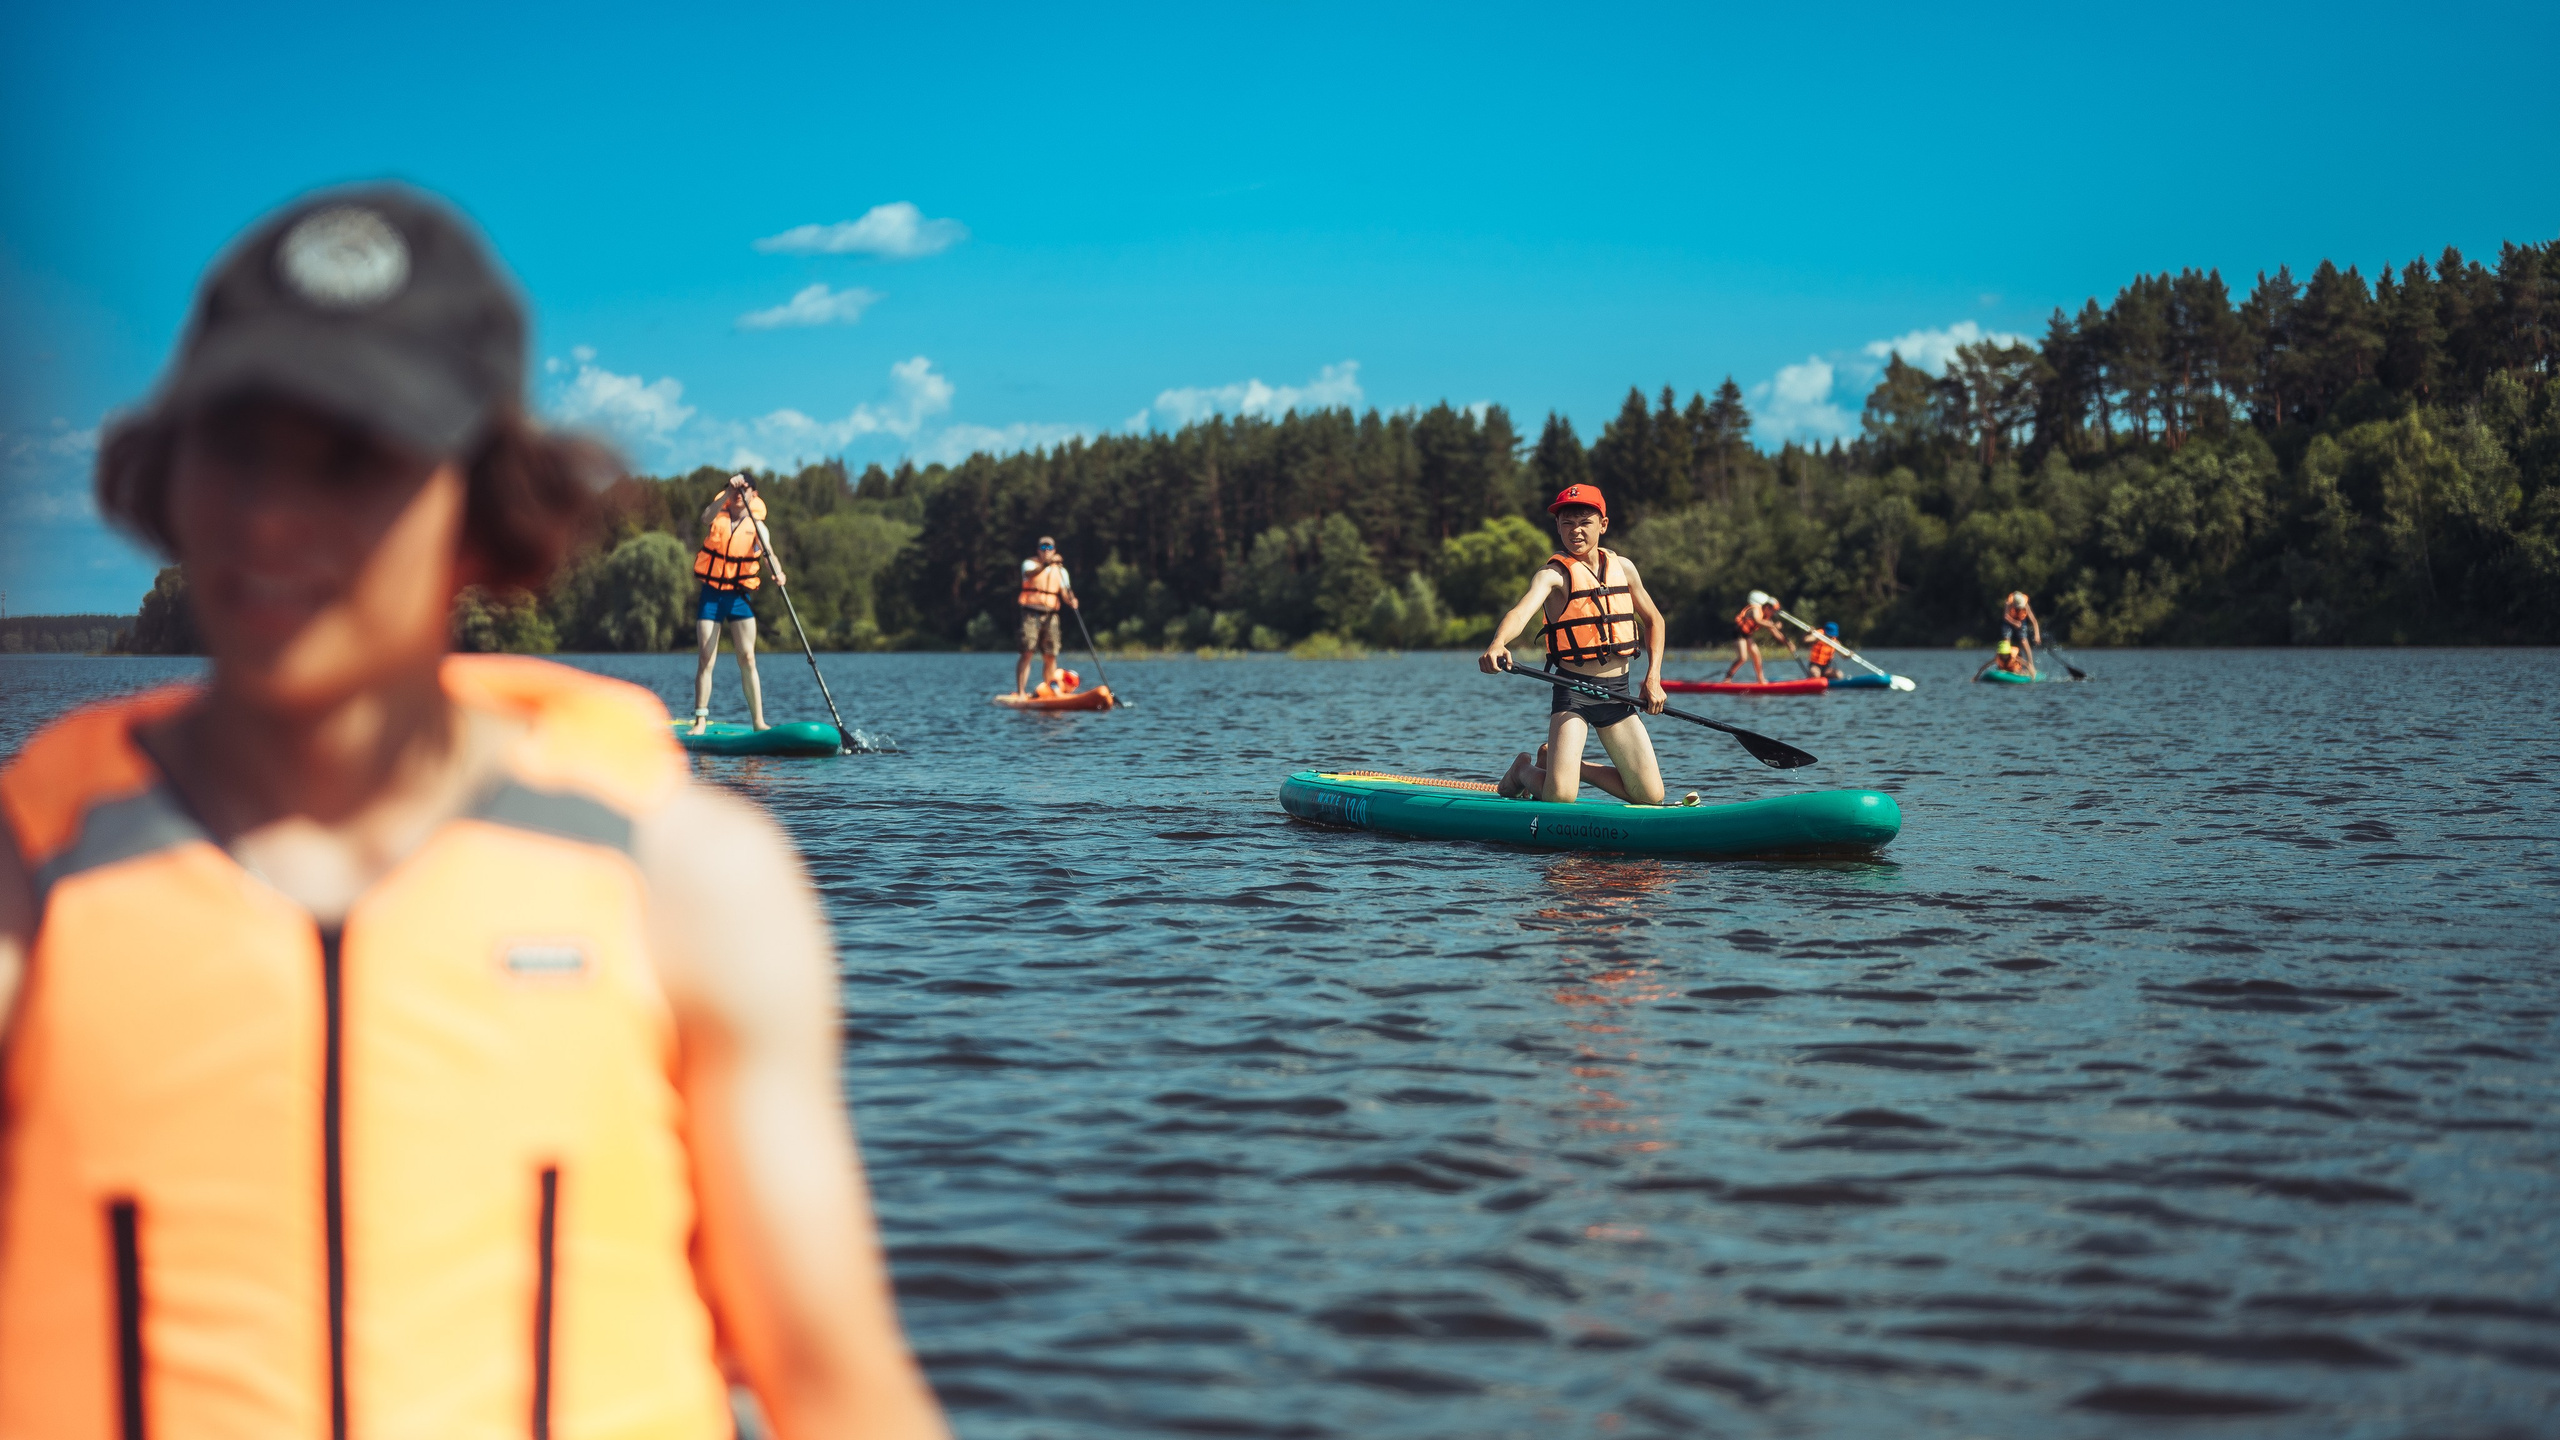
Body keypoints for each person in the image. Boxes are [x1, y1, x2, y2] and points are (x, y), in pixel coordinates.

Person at [0, 185, 946, 1439]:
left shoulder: (696, 889)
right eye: (239, 444)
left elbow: (837, 1394)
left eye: (359, 457)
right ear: (168, 476)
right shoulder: (29, 884)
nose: (278, 514)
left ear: (484, 509)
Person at [1478, 483, 1670, 805]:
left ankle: (1564, 764)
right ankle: (1523, 771)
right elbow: (1521, 611)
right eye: (1567, 523)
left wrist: (1653, 678)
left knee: (1650, 796)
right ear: (1557, 527)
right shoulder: (1552, 575)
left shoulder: (1624, 568)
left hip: (1617, 693)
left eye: (1584, 522)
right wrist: (1498, 643)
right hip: (1574, 694)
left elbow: (1655, 621)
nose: (1575, 531)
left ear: (1603, 525)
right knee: (1561, 797)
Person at [689, 473, 786, 733]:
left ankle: (758, 722)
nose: (739, 493)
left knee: (748, 658)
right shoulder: (718, 515)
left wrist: (777, 571)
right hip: (712, 594)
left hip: (739, 596)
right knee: (706, 658)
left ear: (754, 494)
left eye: (745, 489)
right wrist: (725, 492)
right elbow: (705, 517)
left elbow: (769, 554)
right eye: (734, 490)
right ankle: (700, 721)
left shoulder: (757, 525)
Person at [1014, 536, 1079, 696]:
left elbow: (1065, 592)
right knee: (1027, 651)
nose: (1046, 551)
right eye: (1043, 548)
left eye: (1049, 548)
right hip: (1031, 613)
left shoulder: (1061, 571)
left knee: (1050, 654)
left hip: (1051, 615)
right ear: (1038, 550)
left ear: (1054, 550)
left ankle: (1051, 691)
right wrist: (1046, 564)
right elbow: (1030, 575)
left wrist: (1071, 600)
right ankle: (1021, 692)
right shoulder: (1029, 564)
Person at [1721, 589, 1795, 682]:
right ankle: (1727, 679)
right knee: (1743, 657)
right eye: (1773, 611)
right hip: (1738, 632)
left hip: (1747, 635)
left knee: (1757, 656)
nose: (1773, 614)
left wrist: (1788, 643)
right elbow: (1757, 620)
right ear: (1767, 607)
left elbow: (1776, 633)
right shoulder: (1755, 608)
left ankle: (1760, 679)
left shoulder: (1767, 618)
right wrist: (1774, 625)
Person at [1999, 590, 2041, 676]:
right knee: (2006, 642)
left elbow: (2034, 621)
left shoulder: (2025, 605)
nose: (2019, 608)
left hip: (2021, 621)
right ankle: (2005, 666)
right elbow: (2006, 616)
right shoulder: (2008, 603)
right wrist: (2014, 623)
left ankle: (2031, 665)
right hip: (2008, 621)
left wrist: (2037, 635)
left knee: (2024, 641)